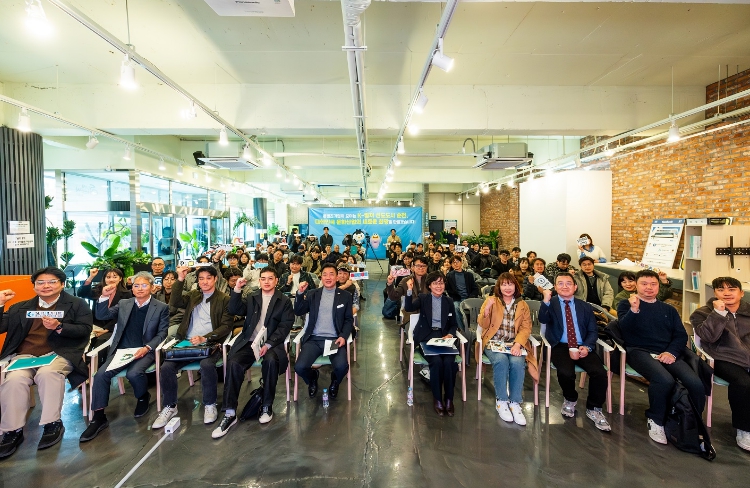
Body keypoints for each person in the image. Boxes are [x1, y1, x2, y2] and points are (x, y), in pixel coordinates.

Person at [0, 267, 93, 459]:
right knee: (14, 380)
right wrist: (0, 304)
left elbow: (85, 329)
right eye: (40, 282)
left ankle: (52, 423)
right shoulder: (20, 307)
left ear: (62, 284)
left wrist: (59, 327)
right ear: (34, 287)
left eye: (52, 282)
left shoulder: (77, 304)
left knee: (47, 374)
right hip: (25, 356)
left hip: (58, 354)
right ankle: (12, 431)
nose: (46, 286)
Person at [617, 269, 705, 445]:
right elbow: (623, 330)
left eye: (653, 284)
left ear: (658, 286)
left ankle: (692, 423)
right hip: (638, 351)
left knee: (695, 383)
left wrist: (671, 352)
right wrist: (634, 310)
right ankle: (655, 420)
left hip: (667, 352)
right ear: (636, 285)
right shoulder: (626, 305)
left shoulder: (668, 309)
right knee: (664, 380)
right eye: (644, 284)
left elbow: (680, 335)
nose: (649, 287)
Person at [80, 272, 170, 442]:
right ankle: (98, 417)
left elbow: (162, 333)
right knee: (100, 375)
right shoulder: (124, 304)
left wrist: (147, 348)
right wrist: (103, 298)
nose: (140, 289)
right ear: (132, 288)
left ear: (152, 287)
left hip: (145, 350)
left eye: (144, 285)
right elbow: (102, 316)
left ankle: (142, 397)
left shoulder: (161, 307)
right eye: (136, 285)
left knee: (134, 374)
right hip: (122, 350)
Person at [212, 268, 295, 437]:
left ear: (276, 280)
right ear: (259, 281)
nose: (266, 282)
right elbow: (235, 309)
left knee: (270, 362)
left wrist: (269, 344)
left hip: (272, 344)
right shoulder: (252, 297)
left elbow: (285, 325)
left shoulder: (284, 301)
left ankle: (266, 405)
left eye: (270, 278)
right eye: (263, 278)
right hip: (250, 342)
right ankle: (229, 412)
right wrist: (237, 289)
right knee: (234, 363)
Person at [152, 265, 234, 429]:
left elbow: (226, 326)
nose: (204, 282)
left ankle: (209, 404)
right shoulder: (193, 295)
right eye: (201, 278)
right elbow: (175, 302)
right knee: (167, 367)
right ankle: (170, 406)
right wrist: (180, 279)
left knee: (207, 365)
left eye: (208, 278)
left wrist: (206, 337)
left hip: (210, 343)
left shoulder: (224, 299)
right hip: (187, 342)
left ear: (215, 279)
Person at [539, 273, 611, 431]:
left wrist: (587, 347)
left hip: (582, 345)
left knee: (599, 372)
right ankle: (570, 398)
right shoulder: (551, 303)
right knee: (566, 372)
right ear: (555, 287)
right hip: (560, 346)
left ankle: (594, 408)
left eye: (568, 283)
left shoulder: (585, 306)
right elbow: (542, 319)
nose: (564, 286)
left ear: (575, 287)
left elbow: (592, 331)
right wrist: (545, 300)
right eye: (560, 283)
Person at [691, 277, 750, 451]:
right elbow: (708, 337)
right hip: (724, 358)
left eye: (731, 289)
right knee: (743, 383)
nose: (726, 293)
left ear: (741, 293)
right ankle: (744, 429)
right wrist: (718, 314)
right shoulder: (702, 313)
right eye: (721, 289)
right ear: (715, 293)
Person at [477, 273, 539, 425]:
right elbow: (482, 324)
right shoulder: (491, 300)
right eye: (503, 284)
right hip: (493, 342)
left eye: (510, 284)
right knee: (501, 361)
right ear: (498, 287)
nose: (507, 288)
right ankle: (502, 401)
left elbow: (526, 328)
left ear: (516, 286)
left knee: (517, 363)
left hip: (514, 343)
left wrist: (518, 344)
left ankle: (515, 402)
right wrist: (487, 310)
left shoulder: (522, 304)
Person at [294, 263, 354, 400]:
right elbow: (298, 311)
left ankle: (335, 380)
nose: (328, 277)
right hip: (314, 340)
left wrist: (343, 336)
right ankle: (312, 378)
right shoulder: (312, 294)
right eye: (325, 274)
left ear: (337, 277)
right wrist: (300, 293)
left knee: (342, 367)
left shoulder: (345, 296)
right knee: (300, 367)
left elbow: (348, 320)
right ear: (321, 277)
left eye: (331, 274)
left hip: (334, 340)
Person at [403, 272, 459, 416]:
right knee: (436, 362)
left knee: (450, 363)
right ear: (429, 286)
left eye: (441, 283)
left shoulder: (448, 301)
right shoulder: (423, 298)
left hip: (444, 338)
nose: (438, 286)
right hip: (426, 338)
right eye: (435, 283)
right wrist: (409, 290)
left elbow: (454, 324)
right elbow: (408, 308)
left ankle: (449, 399)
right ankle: (437, 399)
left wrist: (450, 334)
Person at [78, 267, 131, 364]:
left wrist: (107, 329)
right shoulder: (99, 290)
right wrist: (91, 277)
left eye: (115, 277)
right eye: (108, 277)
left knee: (101, 342)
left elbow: (124, 315)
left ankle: (97, 367)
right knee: (83, 341)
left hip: (114, 327)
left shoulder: (127, 294)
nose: (111, 279)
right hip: (96, 325)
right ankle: (85, 366)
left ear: (120, 279)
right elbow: (81, 293)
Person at [387, 255, 431, 324]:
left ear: (427, 267)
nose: (421, 268)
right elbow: (394, 296)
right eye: (418, 266)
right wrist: (390, 284)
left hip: (428, 315)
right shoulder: (405, 280)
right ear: (412, 267)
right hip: (410, 315)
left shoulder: (432, 280)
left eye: (424, 266)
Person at [446, 256, 480, 332]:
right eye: (453, 262)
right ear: (451, 265)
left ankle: (472, 330)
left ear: (461, 262)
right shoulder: (449, 275)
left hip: (468, 298)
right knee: (455, 307)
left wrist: (471, 297)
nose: (456, 264)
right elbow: (448, 290)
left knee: (474, 308)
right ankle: (462, 330)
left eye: (457, 261)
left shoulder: (469, 275)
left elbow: (475, 288)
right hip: (457, 299)